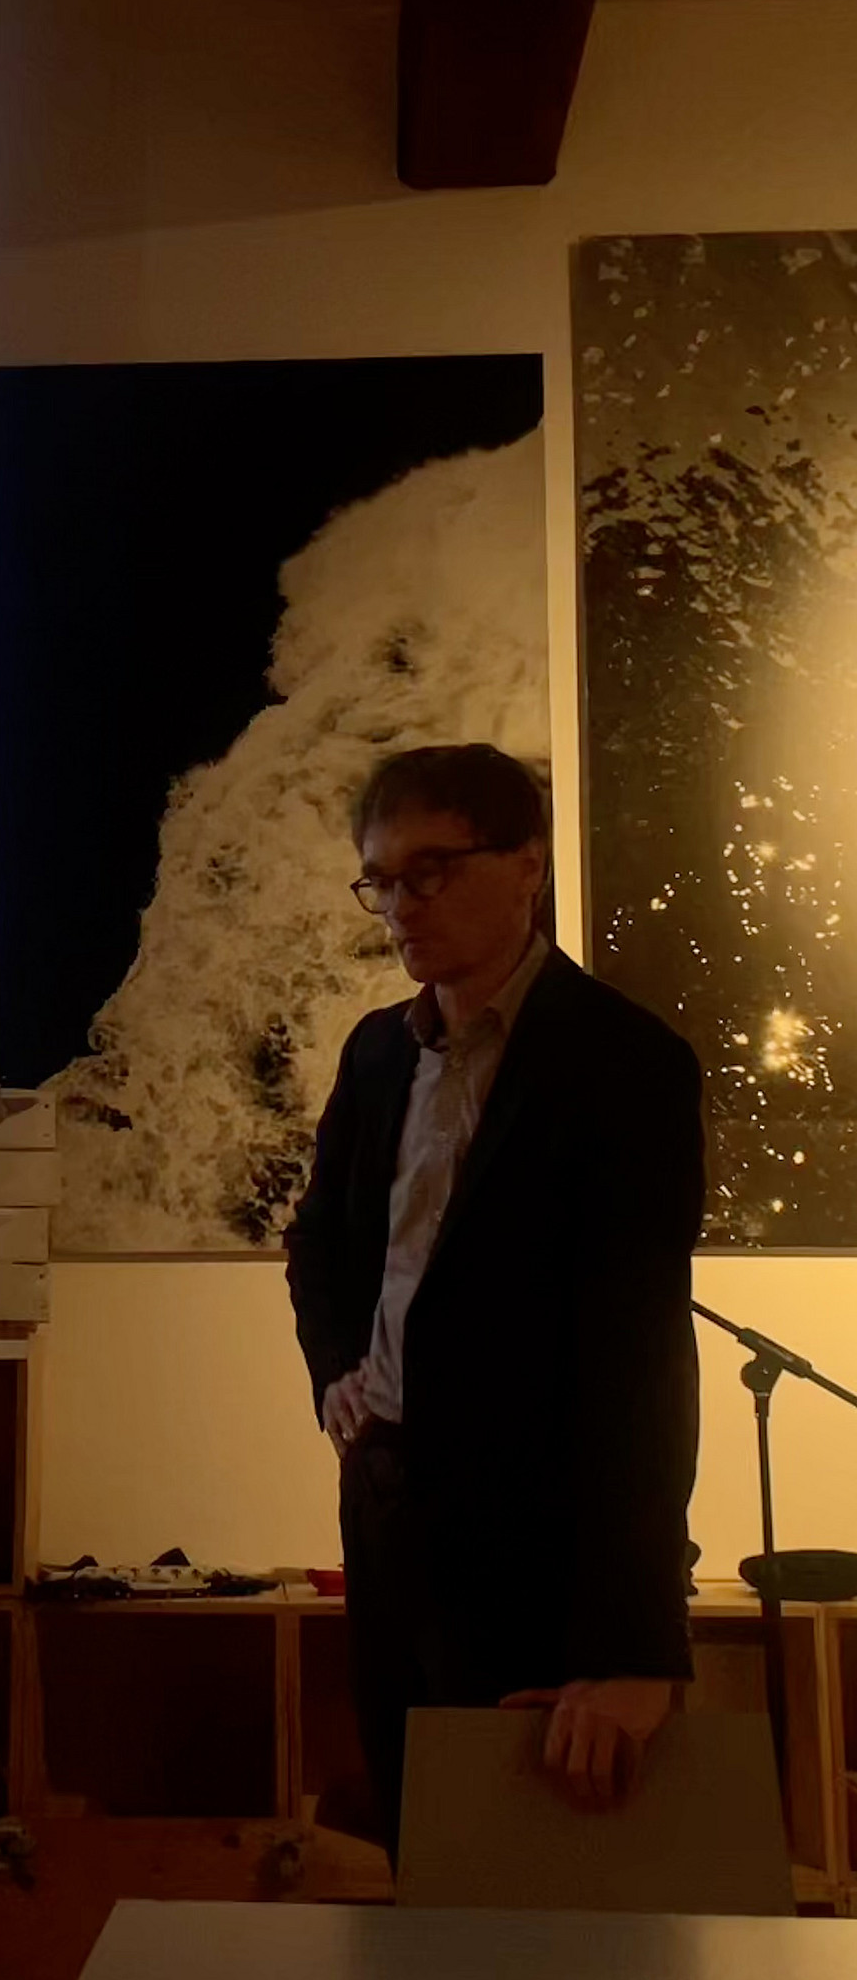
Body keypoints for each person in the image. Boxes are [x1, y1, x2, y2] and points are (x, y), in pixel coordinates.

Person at [285, 744, 703, 1850]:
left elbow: (641, 1362)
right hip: (387, 1522)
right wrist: (336, 1371)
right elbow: (318, 1242)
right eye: (380, 879)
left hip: (538, 1555)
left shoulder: (625, 1063)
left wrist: (636, 1647)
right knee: (413, 1859)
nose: (399, 906)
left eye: (429, 870)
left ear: (527, 865)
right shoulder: (378, 1054)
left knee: (543, 1891)